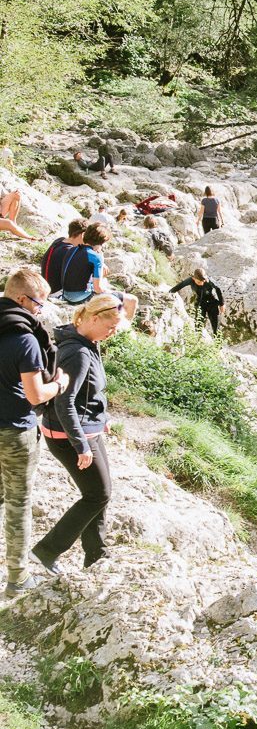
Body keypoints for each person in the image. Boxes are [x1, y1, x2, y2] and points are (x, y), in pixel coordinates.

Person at [32, 292, 126, 575]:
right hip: (70, 435)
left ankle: (97, 555)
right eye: (111, 327)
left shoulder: (87, 341)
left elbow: (89, 392)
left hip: (86, 429)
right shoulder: (78, 352)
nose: (113, 333)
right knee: (98, 494)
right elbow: (64, 401)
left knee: (99, 492)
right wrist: (81, 444)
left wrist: (101, 418)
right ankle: (46, 551)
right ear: (94, 318)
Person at [0, 267, 68, 594]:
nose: (41, 311)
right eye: (39, 304)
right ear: (23, 299)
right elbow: (35, 394)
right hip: (15, 430)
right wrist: (59, 384)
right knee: (17, 503)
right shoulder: (25, 340)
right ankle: (18, 577)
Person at [59, 221, 109, 306]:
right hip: (79, 298)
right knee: (106, 285)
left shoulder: (72, 249)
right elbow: (98, 289)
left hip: (65, 294)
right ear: (102, 242)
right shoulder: (96, 257)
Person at [171, 267, 225, 334]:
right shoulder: (190, 280)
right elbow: (180, 285)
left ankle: (218, 343)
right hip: (200, 303)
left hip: (212, 303)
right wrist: (170, 292)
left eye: (203, 281)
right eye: (199, 282)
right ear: (194, 279)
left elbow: (218, 289)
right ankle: (198, 341)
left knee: (216, 327)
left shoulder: (208, 280)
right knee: (198, 325)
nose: (202, 283)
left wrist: (222, 304)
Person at [41, 219, 87, 294]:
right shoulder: (70, 251)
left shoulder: (59, 241)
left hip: (46, 287)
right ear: (83, 235)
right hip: (56, 292)